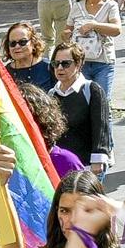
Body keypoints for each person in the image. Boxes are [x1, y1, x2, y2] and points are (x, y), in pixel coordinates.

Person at [67, 0, 123, 113]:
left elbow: (117, 29)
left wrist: (94, 25)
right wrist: (66, 34)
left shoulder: (111, 6)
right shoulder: (77, 7)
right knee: (82, 106)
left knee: (102, 106)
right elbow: (68, 29)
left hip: (103, 62)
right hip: (81, 62)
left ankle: (106, 136)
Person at [48, 44, 111, 172]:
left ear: (78, 64)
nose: (60, 68)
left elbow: (101, 126)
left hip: (86, 165)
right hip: (60, 165)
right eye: (56, 63)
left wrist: (98, 159)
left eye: (66, 63)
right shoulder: (51, 94)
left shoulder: (92, 90)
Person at [2, 21, 55, 90]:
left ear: (33, 43)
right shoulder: (5, 73)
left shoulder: (49, 67)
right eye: (12, 43)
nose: (17, 46)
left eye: (22, 42)